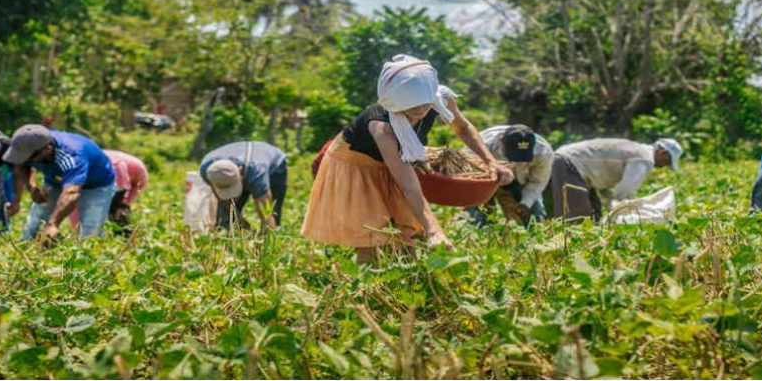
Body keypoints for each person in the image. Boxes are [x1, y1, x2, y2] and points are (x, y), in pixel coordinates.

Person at [301, 54, 514, 263]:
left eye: (424, 103)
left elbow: (463, 127)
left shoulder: (441, 100)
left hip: (394, 160)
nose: (421, 110)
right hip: (356, 165)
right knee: (373, 238)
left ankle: (409, 284)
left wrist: (490, 161)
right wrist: (434, 231)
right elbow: (407, 183)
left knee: (406, 236)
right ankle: (365, 287)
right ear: (394, 103)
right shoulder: (381, 127)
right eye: (412, 107)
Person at [4, 124, 117, 240]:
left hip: (96, 184)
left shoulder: (71, 155)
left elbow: (71, 194)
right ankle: (26, 247)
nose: (24, 160)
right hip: (55, 180)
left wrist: (53, 224)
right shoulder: (30, 145)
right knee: (36, 222)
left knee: (90, 231)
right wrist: (31, 187)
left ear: (47, 150)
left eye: (27, 158)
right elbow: (21, 165)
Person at [552, 138, 682, 222]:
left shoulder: (637, 150)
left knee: (595, 216)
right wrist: (633, 212)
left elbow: (604, 184)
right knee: (578, 218)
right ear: (663, 152)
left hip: (568, 163)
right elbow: (624, 191)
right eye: (667, 162)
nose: (663, 166)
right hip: (569, 164)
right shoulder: (645, 158)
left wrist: (611, 204)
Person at [465, 124, 554, 227]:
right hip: (485, 179)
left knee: (536, 216)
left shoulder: (543, 153)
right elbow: (468, 175)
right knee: (478, 215)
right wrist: (478, 196)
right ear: (501, 141)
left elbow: (538, 181)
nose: (516, 160)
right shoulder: (480, 146)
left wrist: (525, 203)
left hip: (520, 180)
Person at [199, 141, 287, 231]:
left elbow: (266, 214)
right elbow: (224, 200)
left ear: (240, 171)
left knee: (271, 217)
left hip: (275, 167)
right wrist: (241, 222)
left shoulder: (257, 173)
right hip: (243, 161)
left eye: (232, 188)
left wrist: (266, 235)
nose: (230, 195)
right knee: (225, 222)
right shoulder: (208, 171)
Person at [69, 150, 148, 236]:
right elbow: (75, 205)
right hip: (118, 171)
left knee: (117, 212)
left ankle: (126, 239)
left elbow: (134, 187)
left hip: (123, 170)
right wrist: (76, 229)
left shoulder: (115, 169)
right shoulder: (77, 176)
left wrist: (124, 205)